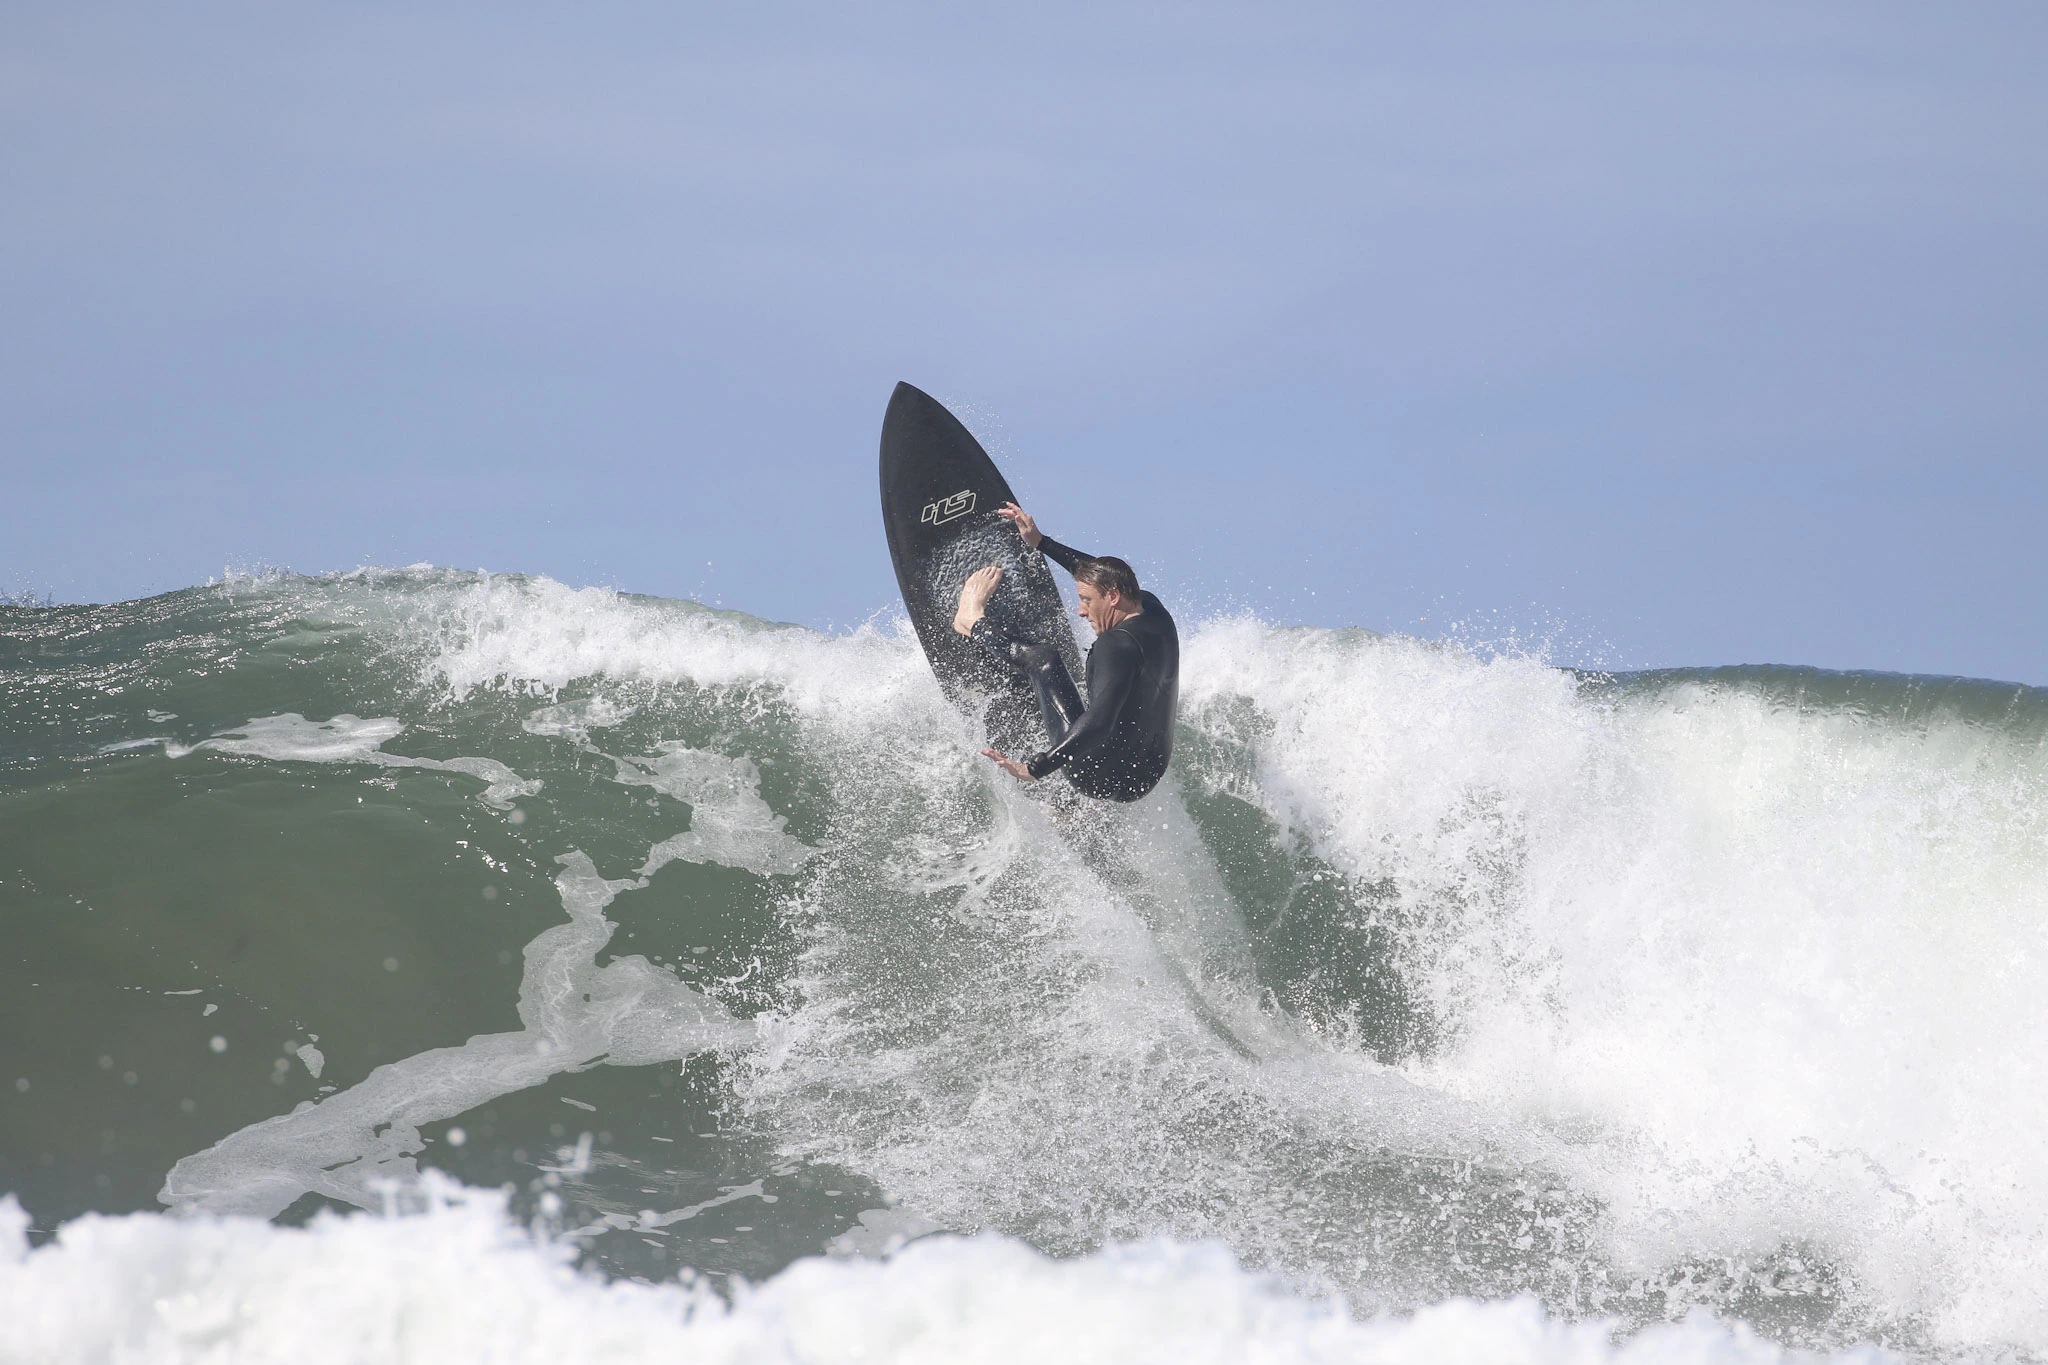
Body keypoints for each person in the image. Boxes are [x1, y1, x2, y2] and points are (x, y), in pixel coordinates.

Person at [950, 502, 1179, 802]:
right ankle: (1067, 812)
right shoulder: (1153, 610)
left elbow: (1099, 723)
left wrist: (1036, 767)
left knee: (1043, 660)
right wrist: (1042, 543)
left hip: (1095, 775)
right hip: (1146, 776)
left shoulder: (1115, 645)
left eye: (1085, 600)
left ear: (1112, 597)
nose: (1081, 611)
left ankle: (972, 622)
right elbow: (1099, 575)